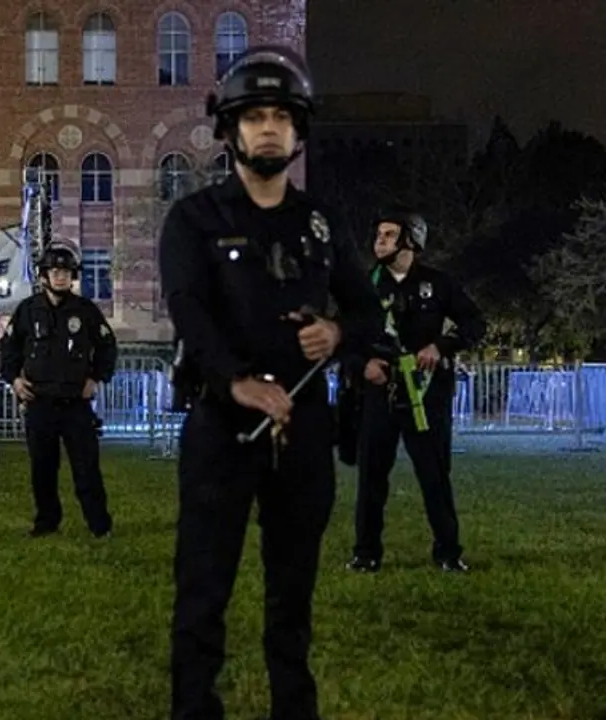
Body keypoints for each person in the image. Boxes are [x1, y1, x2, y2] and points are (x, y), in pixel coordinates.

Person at [158, 46, 384, 720]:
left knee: (294, 593)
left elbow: (369, 309)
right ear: (229, 130)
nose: (268, 129)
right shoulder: (194, 220)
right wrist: (234, 382)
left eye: (281, 117)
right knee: (203, 590)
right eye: (254, 116)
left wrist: (338, 335)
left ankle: (295, 708)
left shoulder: (319, 223)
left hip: (305, 430)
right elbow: (189, 311)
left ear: (298, 131)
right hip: (222, 429)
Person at [343, 206, 486, 574]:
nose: (379, 241)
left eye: (389, 235)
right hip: (380, 393)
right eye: (378, 235)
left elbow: (474, 322)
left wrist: (440, 347)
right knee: (372, 476)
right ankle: (366, 553)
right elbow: (343, 337)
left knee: (434, 474)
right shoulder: (364, 286)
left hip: (427, 394)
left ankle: (448, 553)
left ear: (411, 240)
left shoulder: (439, 284)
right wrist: (363, 366)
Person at [0, 237, 117, 539]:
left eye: (66, 272)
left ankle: (99, 525)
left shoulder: (86, 310)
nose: (61, 276)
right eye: (55, 271)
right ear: (44, 276)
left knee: (87, 469)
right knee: (42, 469)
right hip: (39, 404)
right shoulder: (27, 310)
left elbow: (107, 346)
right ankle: (46, 522)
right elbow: (9, 349)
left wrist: (96, 378)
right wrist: (14, 379)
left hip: (76, 404)